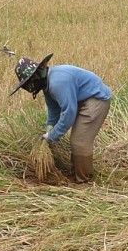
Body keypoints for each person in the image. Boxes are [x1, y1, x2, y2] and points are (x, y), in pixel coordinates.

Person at [10, 53, 112, 183]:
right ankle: (77, 172)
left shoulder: (57, 83)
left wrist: (53, 136)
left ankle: (85, 180)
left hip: (96, 100)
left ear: (35, 77)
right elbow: (53, 112)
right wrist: (48, 130)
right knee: (78, 139)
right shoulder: (47, 85)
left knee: (79, 140)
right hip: (83, 99)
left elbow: (69, 112)